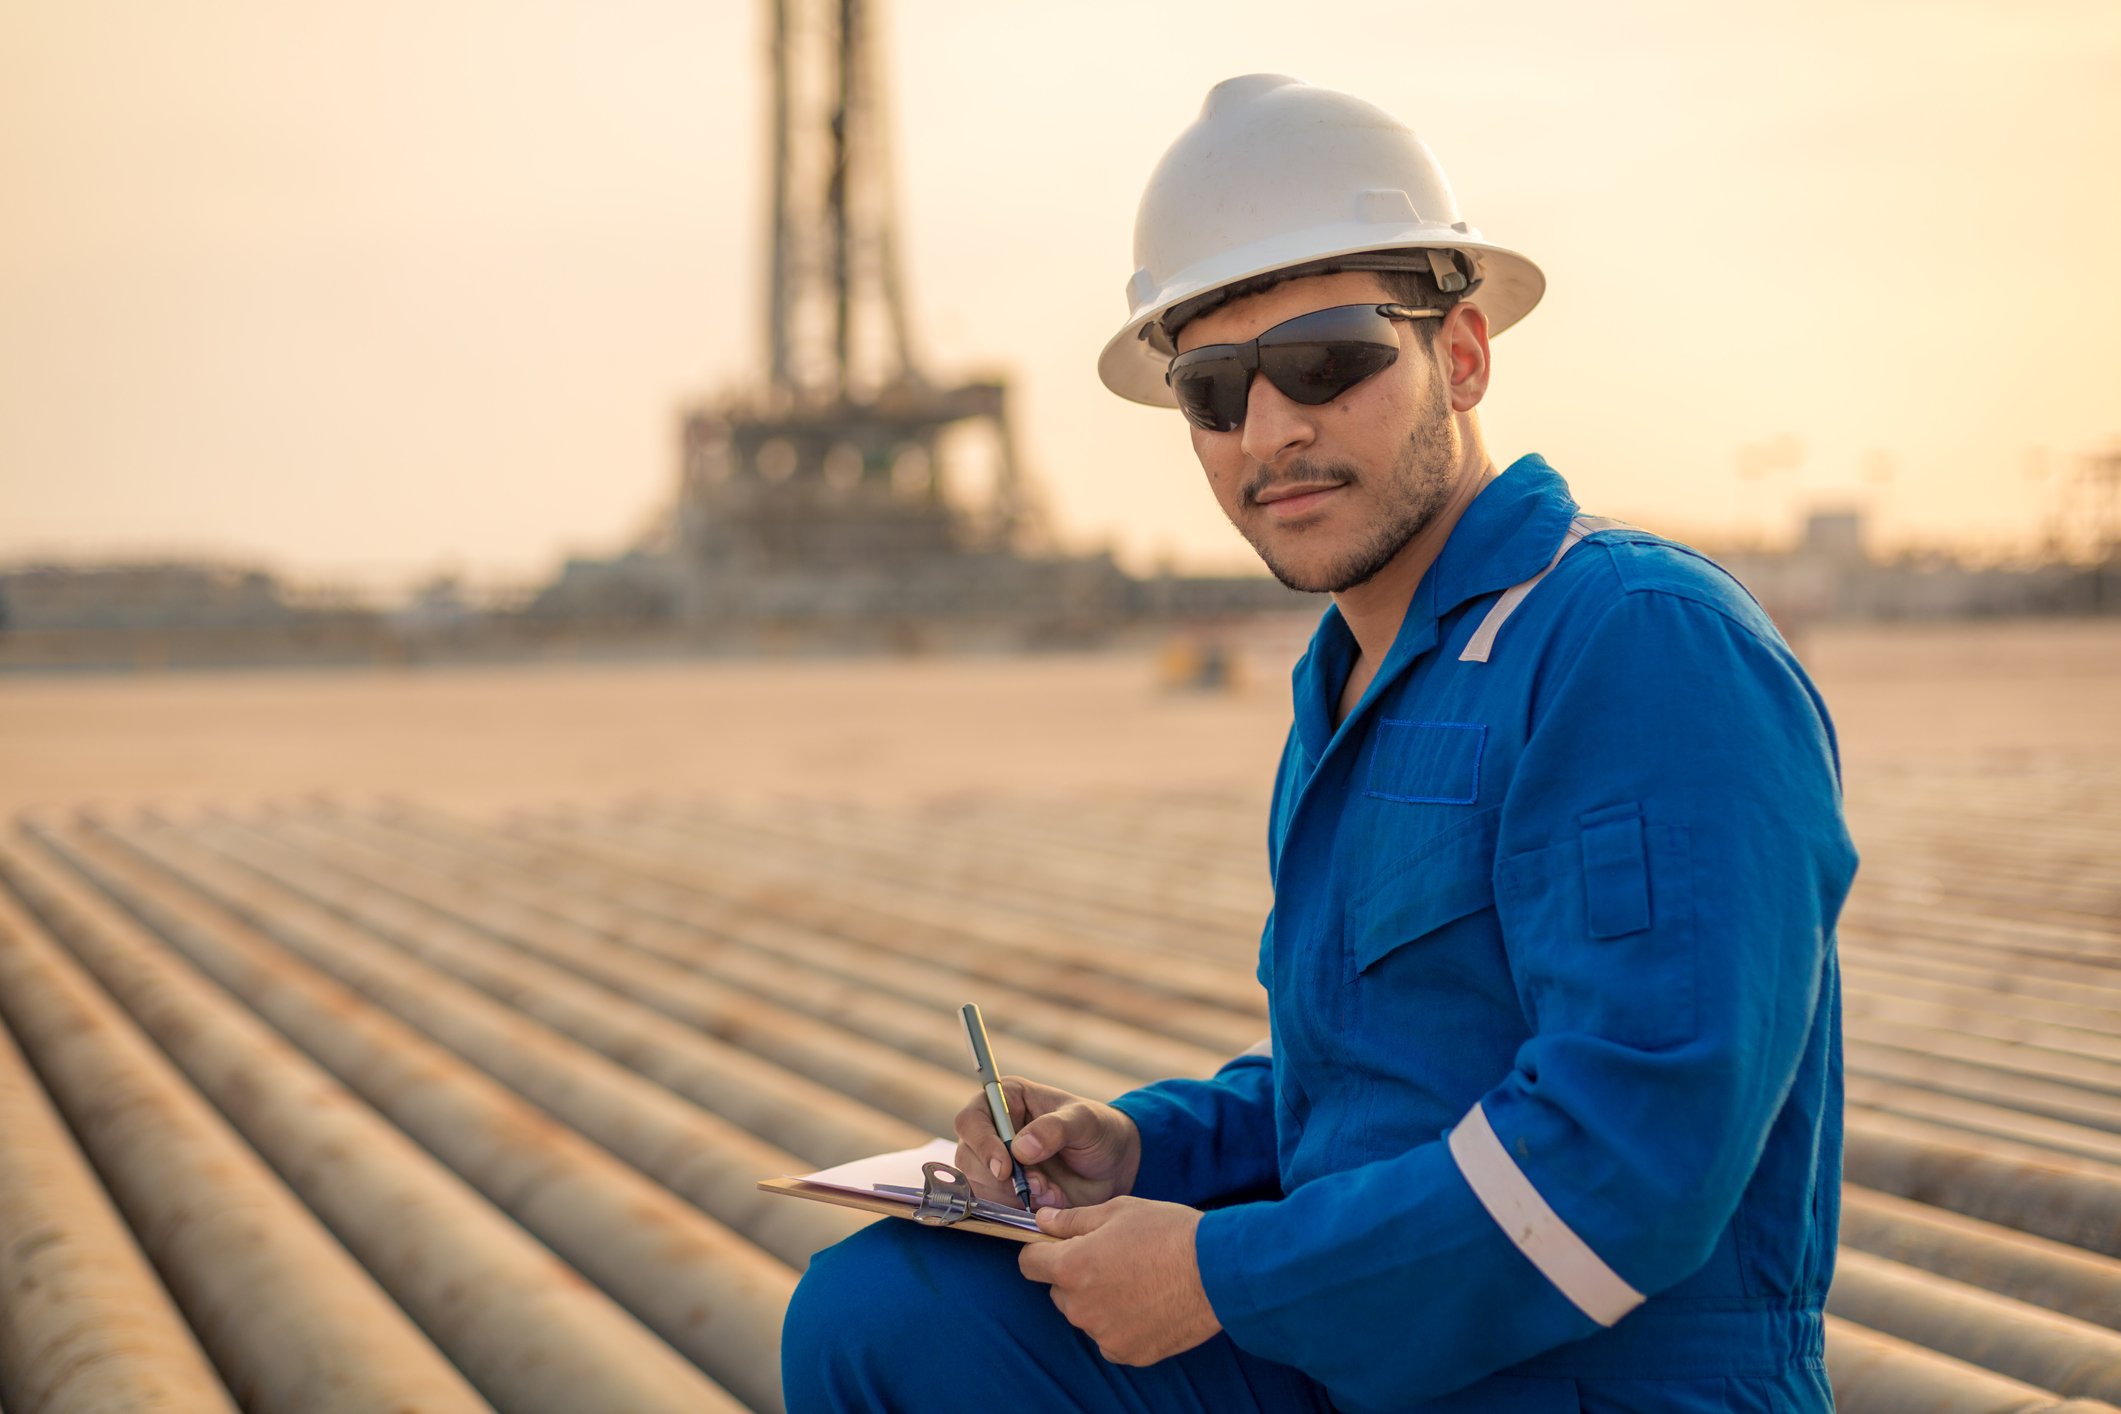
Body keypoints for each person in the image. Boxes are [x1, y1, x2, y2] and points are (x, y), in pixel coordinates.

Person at [783, 74, 1857, 1413]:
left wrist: (1226, 1275)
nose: (1270, 429)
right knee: (888, 1313)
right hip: (1380, 1358)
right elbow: (1376, 1086)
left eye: (1328, 360)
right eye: (1214, 389)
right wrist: (1141, 1147)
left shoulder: (1631, 644)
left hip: (1601, 1381)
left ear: (1459, 354)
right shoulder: (1353, 680)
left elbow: (1631, 1152)